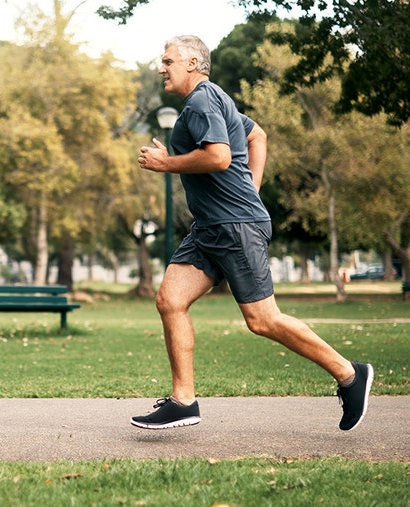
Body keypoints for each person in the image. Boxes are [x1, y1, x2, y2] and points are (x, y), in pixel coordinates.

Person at [132, 35, 372, 431]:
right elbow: (256, 134)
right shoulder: (212, 100)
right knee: (170, 300)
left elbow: (219, 156)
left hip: (235, 227)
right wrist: (252, 189)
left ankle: (350, 374)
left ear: (192, 63)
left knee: (262, 319)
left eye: (168, 61)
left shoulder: (203, 100)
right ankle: (183, 401)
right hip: (211, 227)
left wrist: (166, 163)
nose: (161, 68)